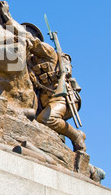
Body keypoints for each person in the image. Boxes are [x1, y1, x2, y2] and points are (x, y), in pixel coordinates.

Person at [24, 23, 86, 152]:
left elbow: (34, 43)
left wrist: (8, 21)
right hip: (43, 102)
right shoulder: (27, 61)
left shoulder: (48, 52)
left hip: (61, 97)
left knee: (46, 119)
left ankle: (76, 135)